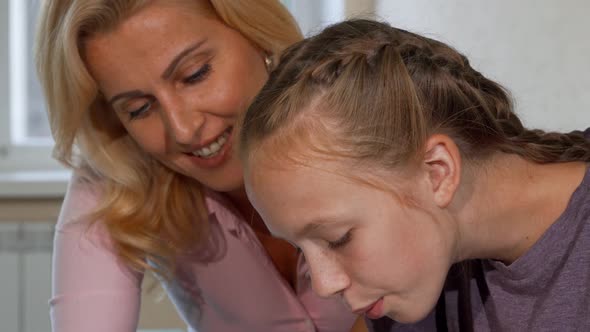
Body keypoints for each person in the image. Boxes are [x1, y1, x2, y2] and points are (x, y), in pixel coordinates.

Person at [238, 19, 590, 331]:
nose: (324, 285)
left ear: (437, 171)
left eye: (338, 238)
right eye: (301, 250)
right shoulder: (410, 289)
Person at [35, 1, 364, 331]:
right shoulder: (120, 169)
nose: (182, 129)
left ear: (257, 35)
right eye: (138, 109)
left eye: (195, 75)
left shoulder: (364, 112)